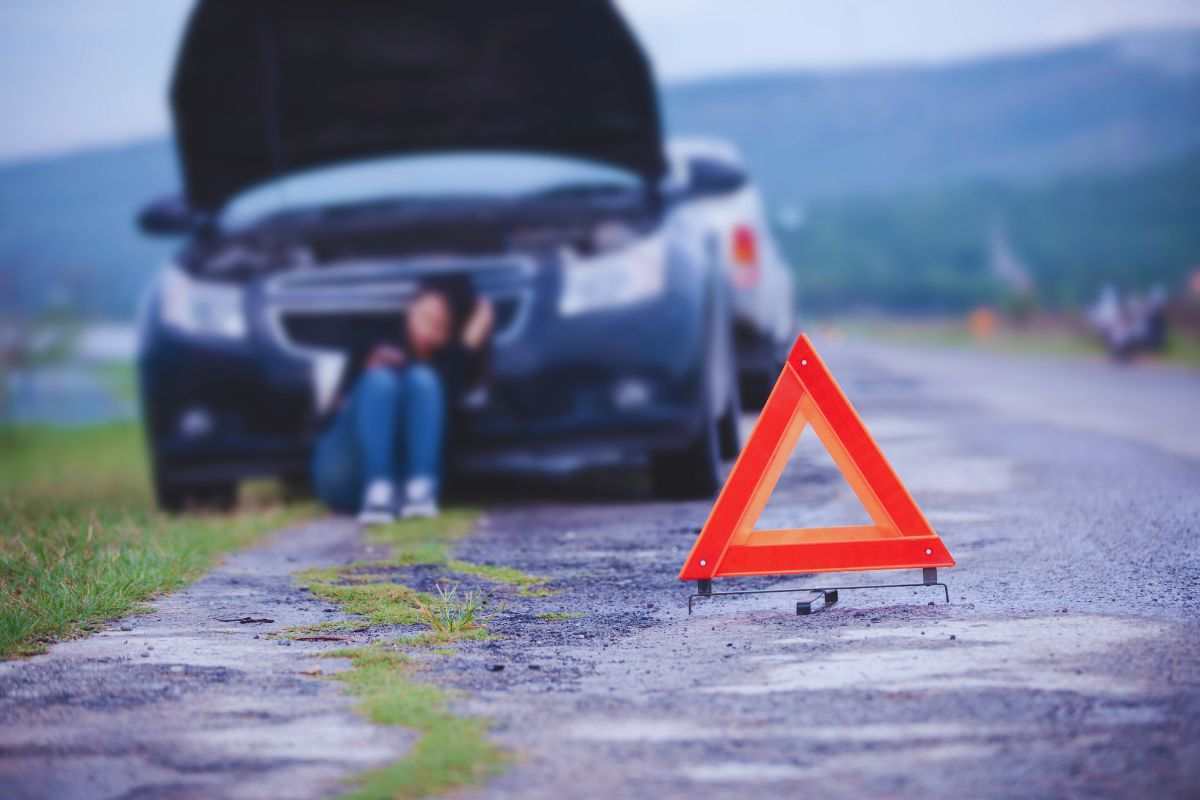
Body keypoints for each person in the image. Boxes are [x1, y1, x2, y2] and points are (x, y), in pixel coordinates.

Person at [311, 278, 493, 524]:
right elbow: (330, 415)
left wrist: (469, 342)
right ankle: (378, 491)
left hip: (405, 485)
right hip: (348, 475)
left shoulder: (444, 372)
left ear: (449, 336)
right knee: (381, 382)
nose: (429, 329)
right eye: (426, 317)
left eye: (441, 326)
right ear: (410, 310)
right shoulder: (373, 343)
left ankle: (419, 492)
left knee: (423, 380)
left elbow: (452, 422)